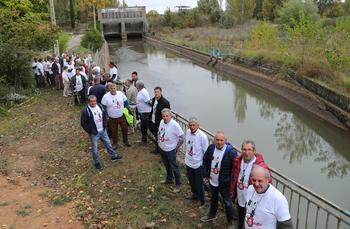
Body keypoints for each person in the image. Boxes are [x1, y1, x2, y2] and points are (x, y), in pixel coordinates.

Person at [230, 140, 272, 229]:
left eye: (249, 150)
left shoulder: (261, 167)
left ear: (254, 150)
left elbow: (269, 186)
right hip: (240, 198)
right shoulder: (238, 161)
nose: (247, 152)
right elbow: (234, 177)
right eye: (244, 149)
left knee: (251, 223)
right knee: (240, 220)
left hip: (253, 202)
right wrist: (232, 193)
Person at [201, 131, 237, 229]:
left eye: (221, 140)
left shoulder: (231, 152)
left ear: (225, 140)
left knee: (228, 203)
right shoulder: (211, 148)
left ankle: (230, 221)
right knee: (213, 198)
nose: (219, 142)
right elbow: (205, 161)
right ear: (214, 139)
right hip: (213, 181)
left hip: (225, 184)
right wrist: (206, 174)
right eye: (217, 140)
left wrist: (229, 181)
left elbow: (235, 170)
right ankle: (212, 215)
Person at [81, 95, 123, 170]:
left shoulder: (99, 106)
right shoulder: (85, 111)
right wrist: (90, 131)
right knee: (95, 148)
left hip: (103, 130)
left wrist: (105, 125)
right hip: (94, 133)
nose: (93, 103)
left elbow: (104, 115)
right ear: (88, 102)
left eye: (94, 101)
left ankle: (114, 156)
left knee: (108, 143)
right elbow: (83, 123)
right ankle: (96, 163)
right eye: (92, 101)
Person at [158, 108, 185, 193]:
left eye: (167, 116)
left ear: (170, 116)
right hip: (162, 148)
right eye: (163, 116)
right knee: (166, 165)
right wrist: (159, 142)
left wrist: (177, 147)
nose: (165, 118)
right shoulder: (161, 122)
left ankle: (178, 184)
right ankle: (169, 178)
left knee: (174, 167)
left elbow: (182, 137)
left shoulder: (175, 125)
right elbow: (159, 132)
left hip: (171, 150)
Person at [185, 117, 208, 207]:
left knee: (199, 183)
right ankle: (194, 194)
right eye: (190, 125)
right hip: (188, 161)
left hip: (197, 164)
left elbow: (206, 152)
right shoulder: (187, 132)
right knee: (191, 181)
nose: (192, 127)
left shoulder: (202, 136)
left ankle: (201, 200)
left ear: (198, 125)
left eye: (194, 125)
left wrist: (203, 164)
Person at [101, 83, 131, 149]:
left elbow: (127, 102)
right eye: (111, 88)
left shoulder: (120, 94)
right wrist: (106, 115)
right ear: (109, 88)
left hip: (121, 116)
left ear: (116, 88)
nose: (113, 90)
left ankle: (125, 139)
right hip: (111, 117)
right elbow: (103, 106)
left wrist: (125, 109)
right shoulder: (106, 96)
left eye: (114, 88)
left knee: (125, 127)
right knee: (114, 131)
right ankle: (115, 142)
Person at [150, 86, 170, 154]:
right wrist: (150, 116)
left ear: (161, 92)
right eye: (155, 92)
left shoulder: (165, 102)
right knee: (156, 136)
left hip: (160, 123)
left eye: (158, 92)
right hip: (153, 121)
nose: (156, 93)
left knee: (162, 137)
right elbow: (153, 109)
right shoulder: (153, 100)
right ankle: (157, 149)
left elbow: (168, 114)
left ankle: (162, 150)